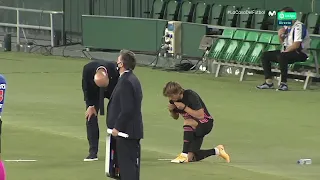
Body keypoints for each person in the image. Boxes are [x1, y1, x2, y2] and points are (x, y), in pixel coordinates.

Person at [163, 81, 230, 163]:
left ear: (177, 92)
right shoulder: (173, 101)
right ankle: (217, 150)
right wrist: (171, 111)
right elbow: (175, 117)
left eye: (171, 96)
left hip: (205, 123)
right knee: (190, 158)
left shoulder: (190, 95)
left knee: (188, 122)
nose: (170, 99)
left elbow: (201, 115)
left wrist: (184, 108)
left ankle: (183, 154)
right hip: (192, 129)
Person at [107, 50, 143, 180]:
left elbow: (127, 108)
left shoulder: (126, 81)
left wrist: (117, 127)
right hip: (131, 131)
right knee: (129, 168)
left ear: (121, 63)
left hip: (126, 133)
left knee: (127, 169)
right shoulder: (132, 79)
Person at [257, 7, 310, 91]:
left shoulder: (299, 26)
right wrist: (280, 35)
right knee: (265, 55)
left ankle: (283, 84)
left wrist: (284, 52)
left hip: (300, 53)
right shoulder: (286, 27)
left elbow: (296, 45)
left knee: (282, 56)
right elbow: (283, 43)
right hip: (287, 52)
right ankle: (269, 82)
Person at [82, 59, 119, 161]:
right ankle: (93, 152)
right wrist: (90, 105)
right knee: (90, 118)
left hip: (112, 91)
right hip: (95, 93)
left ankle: (117, 150)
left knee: (115, 118)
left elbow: (120, 88)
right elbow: (86, 88)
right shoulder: (87, 69)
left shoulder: (115, 70)